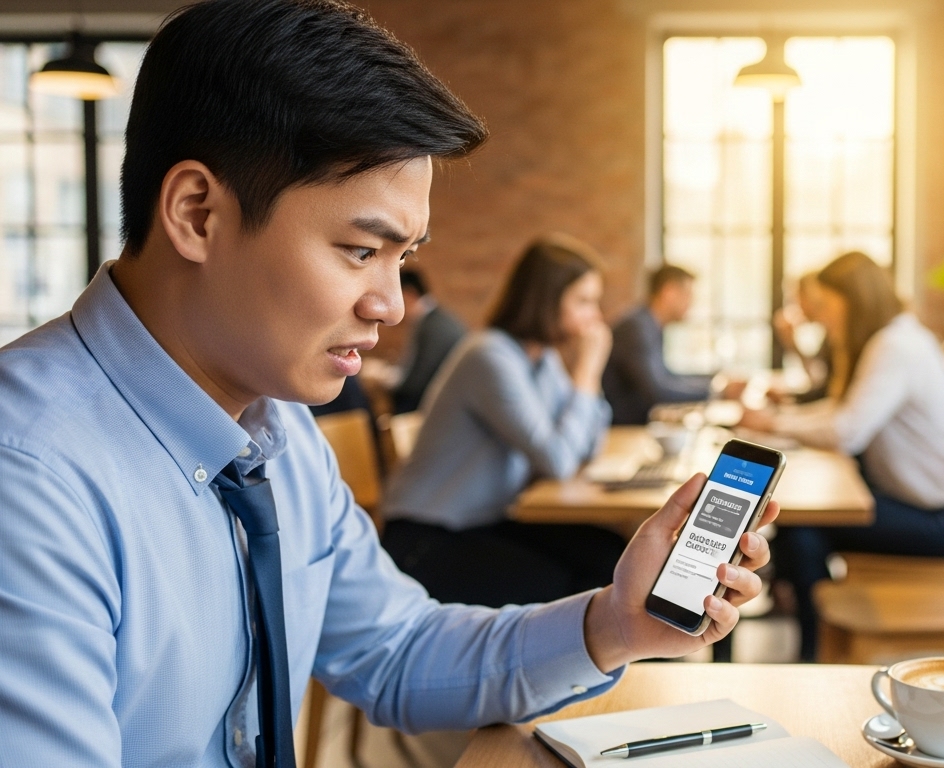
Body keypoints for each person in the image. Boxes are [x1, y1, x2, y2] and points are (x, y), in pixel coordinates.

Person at [0, 3, 776, 765]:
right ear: (198, 214)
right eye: (360, 250)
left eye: (402, 258)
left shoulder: (278, 432)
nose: (392, 304)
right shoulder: (27, 476)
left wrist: (615, 624)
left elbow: (396, 651)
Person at [739, 251, 944, 661]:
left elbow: (846, 432)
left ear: (855, 301)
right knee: (803, 526)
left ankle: (812, 656)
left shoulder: (894, 346)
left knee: (803, 531)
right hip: (931, 506)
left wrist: (773, 424)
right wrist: (779, 419)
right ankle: (811, 646)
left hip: (943, 521)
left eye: (830, 306)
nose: (825, 318)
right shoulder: (895, 337)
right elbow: (841, 409)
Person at [382, 235, 627, 607]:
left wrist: (585, 380)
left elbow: (587, 446)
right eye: (583, 301)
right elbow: (559, 461)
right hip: (425, 539)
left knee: (611, 555)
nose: (594, 316)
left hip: (484, 522)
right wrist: (587, 372)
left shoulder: (541, 360)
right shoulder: (489, 356)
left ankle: (634, 663)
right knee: (568, 586)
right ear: (546, 300)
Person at [603, 264, 742, 425]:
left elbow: (667, 375)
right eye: (688, 294)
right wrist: (718, 391)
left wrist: (715, 380)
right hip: (623, 431)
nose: (692, 302)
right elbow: (657, 392)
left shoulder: (649, 323)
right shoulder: (635, 328)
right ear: (669, 292)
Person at [363, 268, 467, 413]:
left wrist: (382, 379)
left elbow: (413, 385)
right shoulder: (439, 320)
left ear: (409, 294)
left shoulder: (432, 327)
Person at [771, 271, 832, 404]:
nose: (795, 304)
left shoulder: (835, 336)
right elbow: (820, 383)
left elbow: (823, 388)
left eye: (797, 296)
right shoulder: (828, 335)